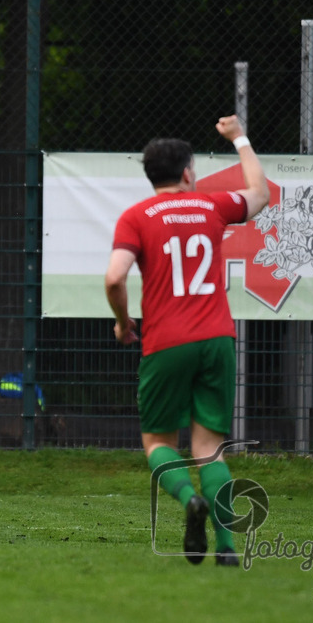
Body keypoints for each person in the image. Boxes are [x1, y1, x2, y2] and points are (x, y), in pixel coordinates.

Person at [104, 115, 269, 566]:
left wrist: (122, 322)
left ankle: (187, 499)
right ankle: (228, 548)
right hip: (217, 338)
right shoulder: (211, 207)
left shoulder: (136, 217)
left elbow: (115, 277)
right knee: (208, 449)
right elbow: (260, 193)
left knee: (158, 442)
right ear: (187, 173)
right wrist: (240, 138)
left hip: (166, 342)